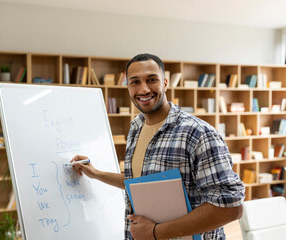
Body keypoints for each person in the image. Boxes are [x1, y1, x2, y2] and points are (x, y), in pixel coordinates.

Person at [72, 53, 245, 240]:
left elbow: (231, 207)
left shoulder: (198, 133)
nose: (144, 89)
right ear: (128, 87)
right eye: (135, 82)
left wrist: (155, 232)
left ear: (165, 83)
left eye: (151, 79)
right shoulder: (136, 129)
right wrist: (95, 173)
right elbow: (140, 181)